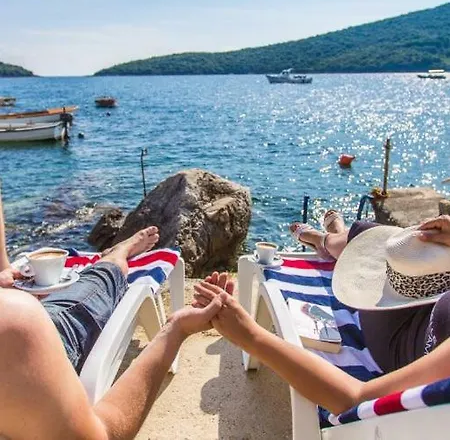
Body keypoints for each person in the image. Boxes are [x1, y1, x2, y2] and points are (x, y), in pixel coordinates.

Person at [0, 188, 227, 439]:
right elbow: (100, 435)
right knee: (102, 278)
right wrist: (176, 329)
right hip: (41, 326)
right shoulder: (17, 324)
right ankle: (116, 256)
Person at [193, 213, 450, 416]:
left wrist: (249, 335)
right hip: (428, 296)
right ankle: (330, 237)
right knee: (378, 238)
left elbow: (355, 398)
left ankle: (326, 239)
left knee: (366, 240)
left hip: (400, 336)